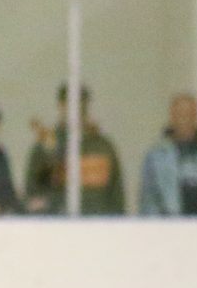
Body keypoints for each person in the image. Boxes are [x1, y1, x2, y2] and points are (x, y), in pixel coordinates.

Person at [23, 84, 124, 215]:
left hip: (98, 226)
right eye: (70, 104)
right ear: (61, 106)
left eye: (81, 104)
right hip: (58, 226)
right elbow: (33, 193)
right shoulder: (44, 148)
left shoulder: (103, 147)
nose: (77, 109)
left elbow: (116, 193)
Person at [138, 93, 197, 217]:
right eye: (180, 115)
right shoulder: (156, 157)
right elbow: (148, 198)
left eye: (190, 114)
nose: (185, 120)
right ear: (172, 117)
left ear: (196, 116)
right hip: (171, 227)